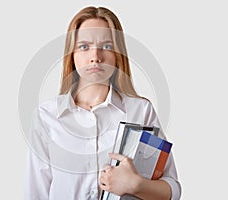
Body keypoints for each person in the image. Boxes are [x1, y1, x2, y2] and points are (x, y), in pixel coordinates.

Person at [25, 6, 181, 200]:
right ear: (71, 55)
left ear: (118, 55)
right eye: (84, 46)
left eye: (107, 46)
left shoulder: (141, 111)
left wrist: (136, 185)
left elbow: (172, 190)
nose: (95, 57)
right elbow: (35, 193)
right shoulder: (46, 116)